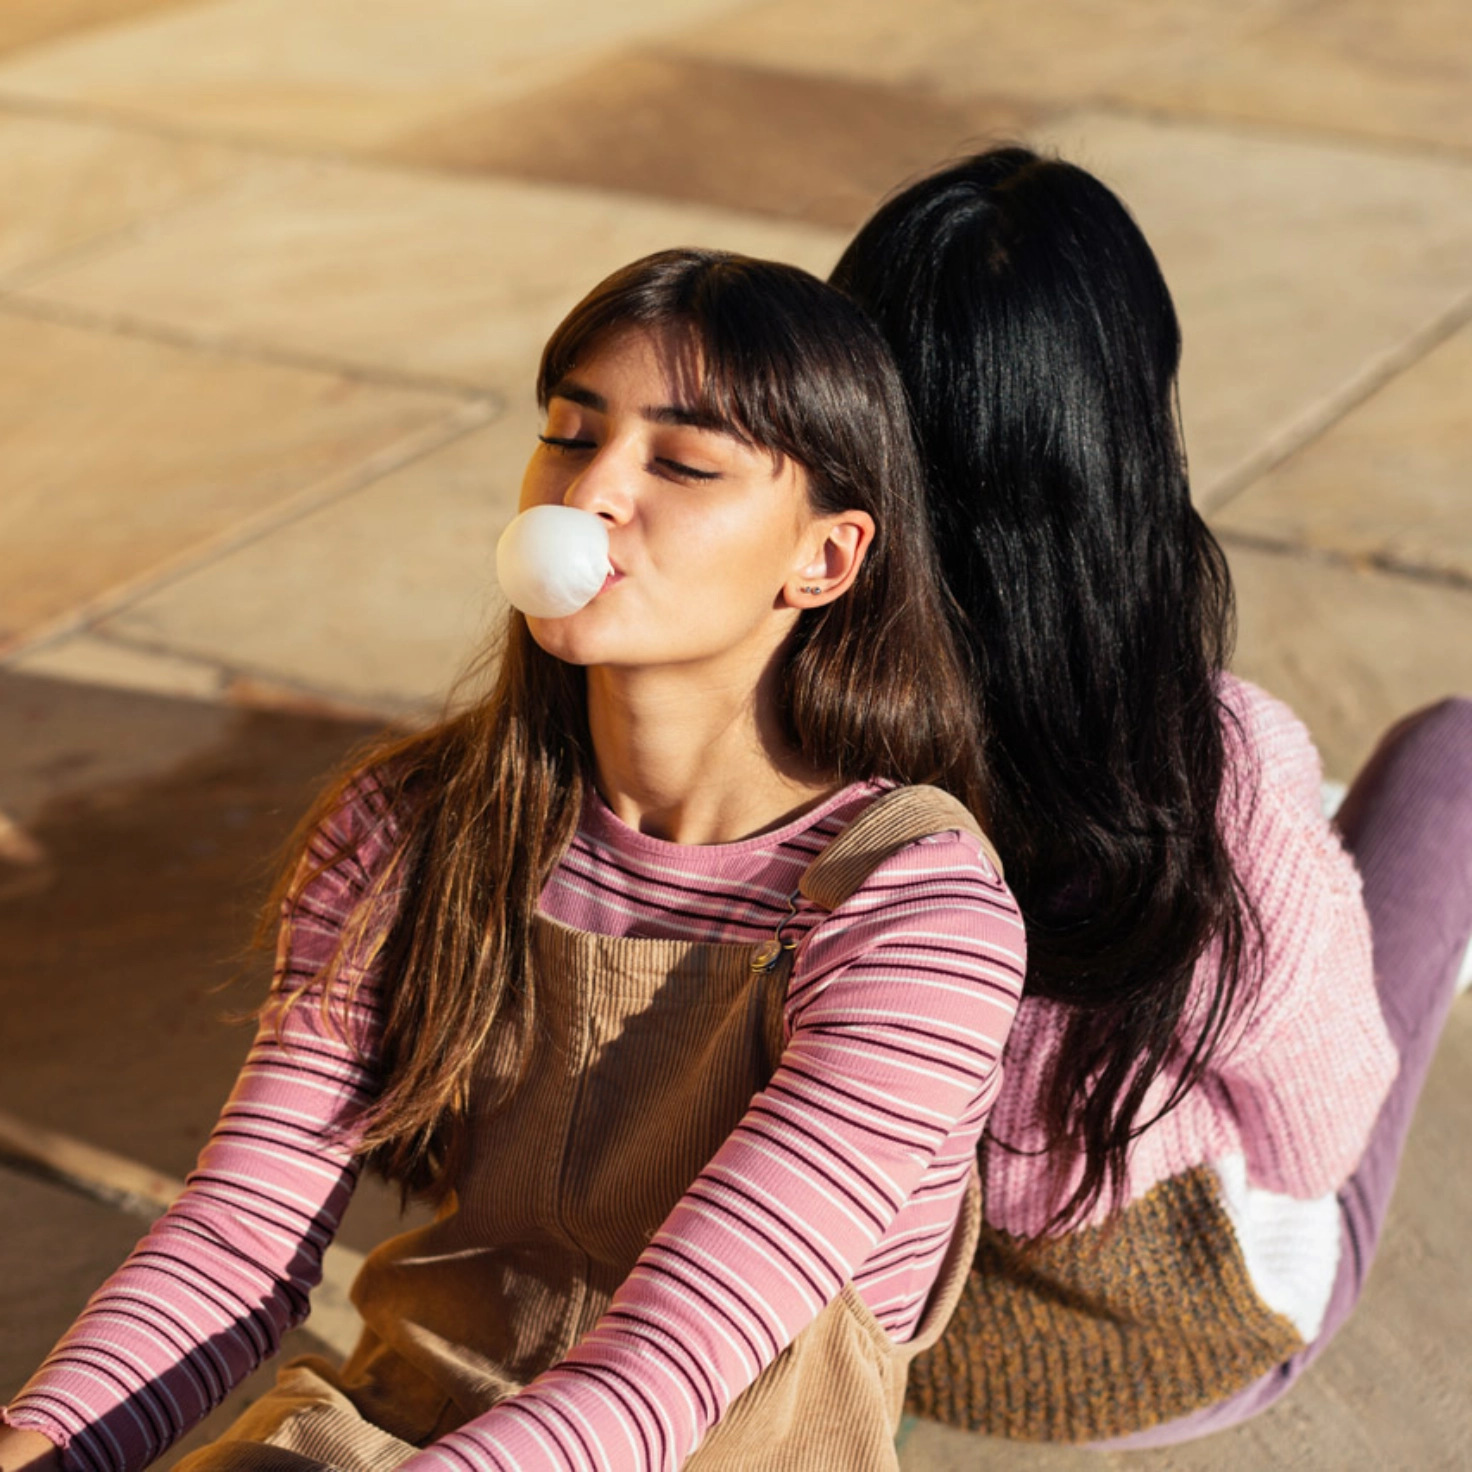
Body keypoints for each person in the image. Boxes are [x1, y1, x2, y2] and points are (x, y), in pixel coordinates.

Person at [0, 250, 1027, 1472]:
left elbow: (670, 1370)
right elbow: (242, 1234)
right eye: (568, 434)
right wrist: (38, 1445)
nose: (592, 491)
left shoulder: (915, 912)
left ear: (825, 559)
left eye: (683, 463)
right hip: (397, 1423)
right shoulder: (412, 821)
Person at [830, 145, 1472, 1447]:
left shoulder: (776, 707)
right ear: (1123, 438)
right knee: (1455, 758)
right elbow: (1317, 1140)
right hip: (1169, 1353)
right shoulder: (1205, 772)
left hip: (871, 1318)